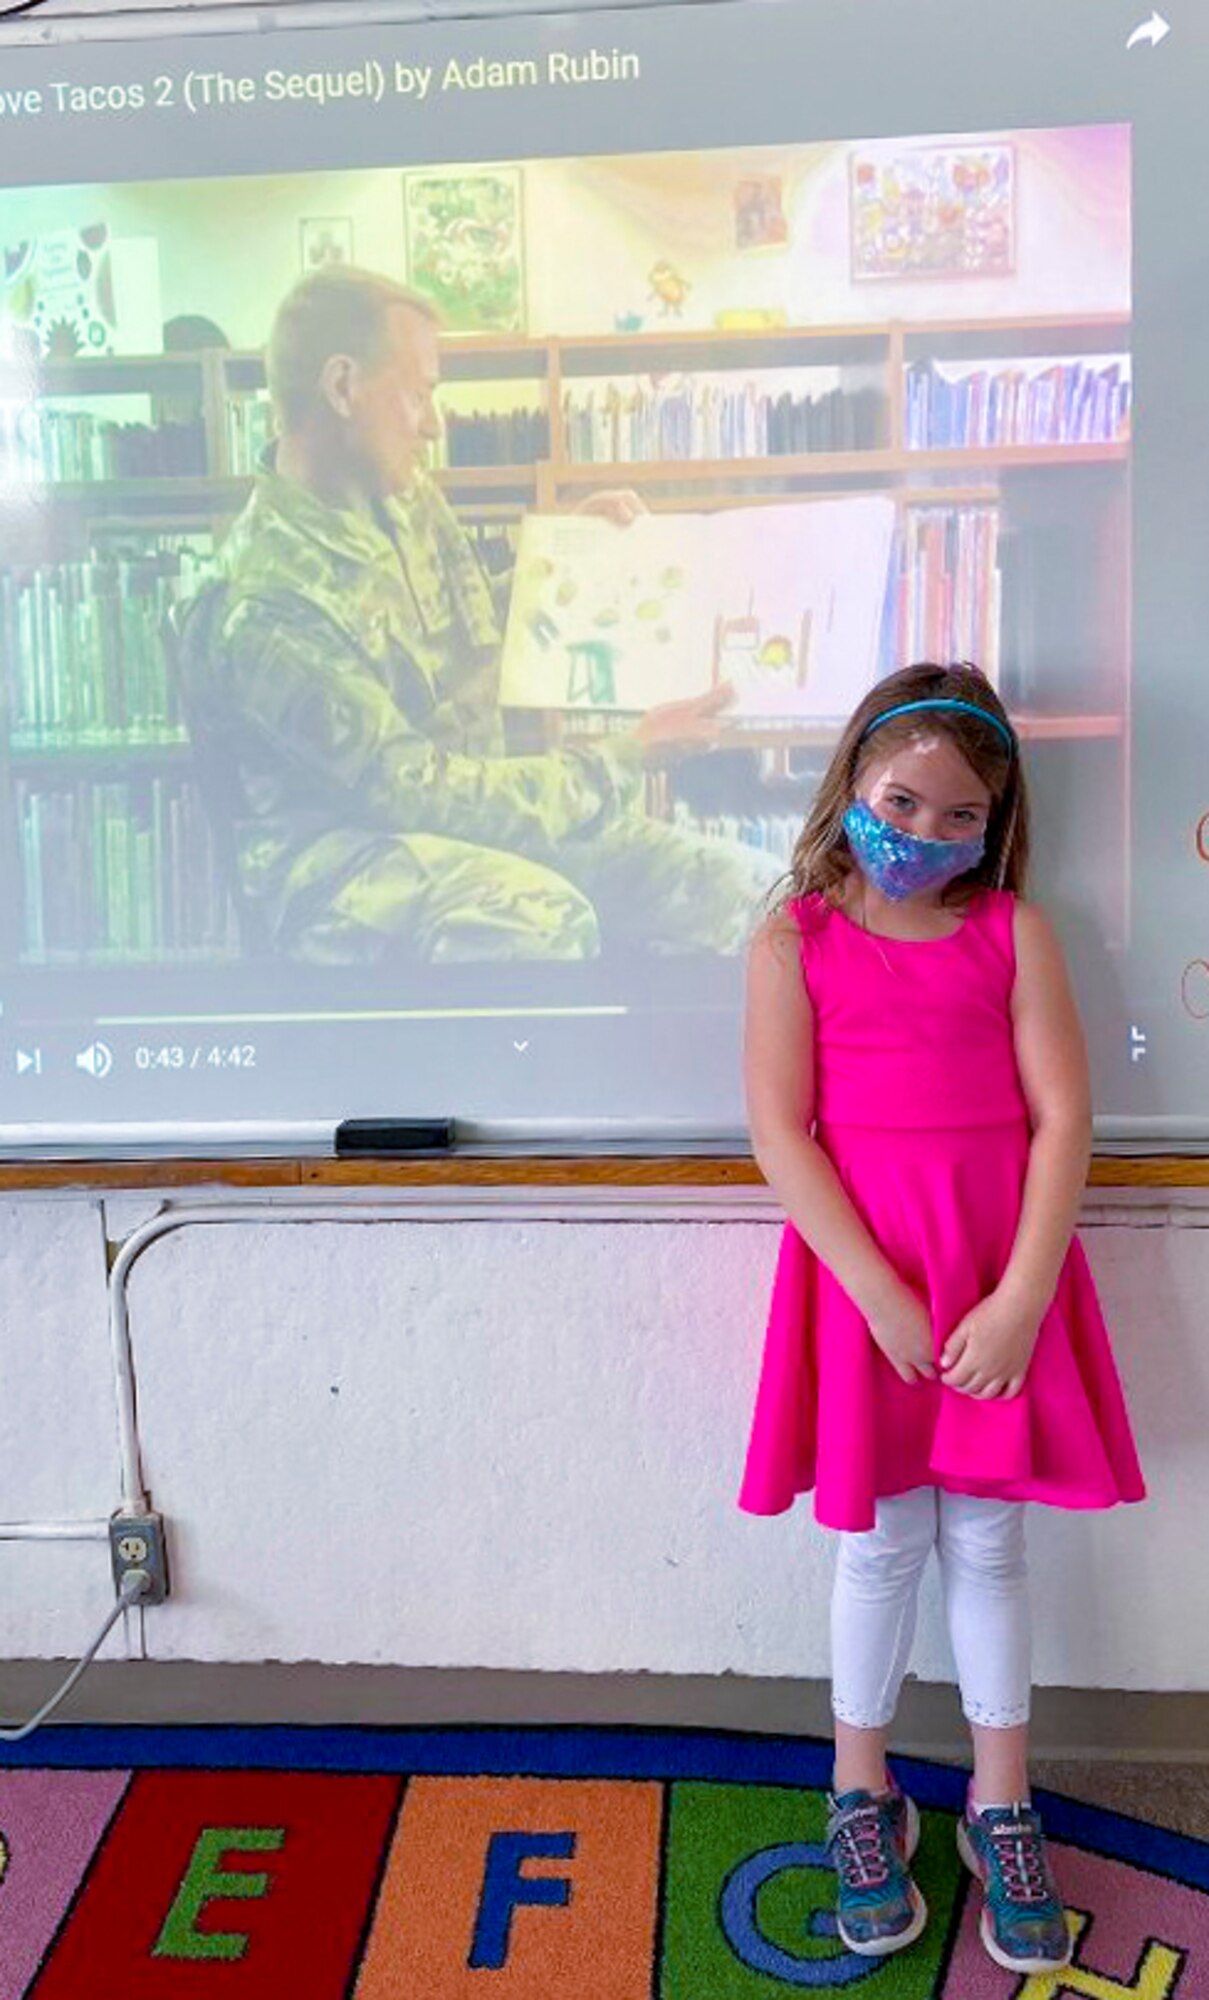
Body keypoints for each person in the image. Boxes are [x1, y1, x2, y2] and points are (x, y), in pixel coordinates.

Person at [738, 661, 1145, 1974]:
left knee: (988, 1542)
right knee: (878, 1548)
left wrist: (1022, 1297)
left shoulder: (1013, 932)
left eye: (953, 815)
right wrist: (872, 1293)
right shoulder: (791, 939)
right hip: (868, 1289)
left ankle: (999, 1800)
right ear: (853, 780)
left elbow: (1064, 1120)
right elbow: (779, 1133)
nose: (920, 833)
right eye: (898, 802)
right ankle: (860, 1789)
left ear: (995, 819)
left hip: (994, 1286)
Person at [176, 265, 778, 963]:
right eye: (421, 394)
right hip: (342, 867)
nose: (433, 424)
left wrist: (566, 562)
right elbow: (416, 795)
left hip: (471, 823)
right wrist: (621, 759)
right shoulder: (266, 605)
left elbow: (455, 622)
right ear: (342, 387)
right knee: (534, 919)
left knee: (755, 896)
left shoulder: (399, 493)